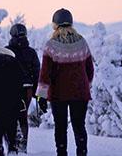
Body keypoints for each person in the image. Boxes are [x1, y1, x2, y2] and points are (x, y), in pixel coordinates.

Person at [36, 8, 94, 156]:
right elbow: (90, 70)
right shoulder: (82, 42)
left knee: (60, 127)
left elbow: (45, 74)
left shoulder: (51, 45)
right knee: (79, 126)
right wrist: (86, 85)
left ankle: (62, 153)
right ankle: (82, 153)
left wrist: (41, 96)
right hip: (80, 93)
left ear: (55, 25)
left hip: (58, 94)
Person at [6, 24, 40, 153]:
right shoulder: (31, 52)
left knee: (9, 116)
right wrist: (37, 93)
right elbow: (37, 73)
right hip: (27, 90)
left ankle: (12, 145)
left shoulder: (7, 51)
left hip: (9, 90)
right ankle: (22, 145)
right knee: (22, 116)